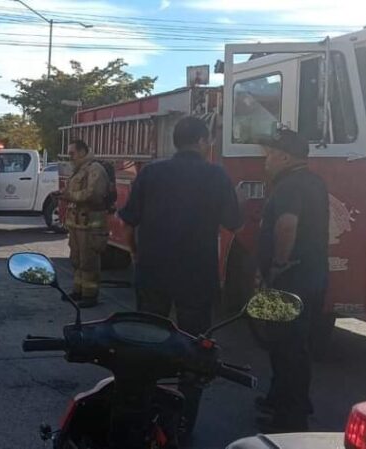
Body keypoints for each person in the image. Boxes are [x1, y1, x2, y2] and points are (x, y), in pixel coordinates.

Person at [118, 116, 242, 437]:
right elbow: (233, 221)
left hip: (153, 271)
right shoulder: (216, 175)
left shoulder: (152, 173)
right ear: (201, 141)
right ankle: (184, 419)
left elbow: (128, 223)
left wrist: (135, 254)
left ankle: (142, 408)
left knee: (146, 337)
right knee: (194, 346)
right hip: (196, 274)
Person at [254, 128, 328, 433]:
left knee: (286, 346)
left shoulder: (288, 186)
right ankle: (281, 398)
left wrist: (276, 266)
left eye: (270, 154)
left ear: (285, 157)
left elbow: (286, 226)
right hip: (313, 276)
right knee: (292, 344)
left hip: (288, 279)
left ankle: (290, 419)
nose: (266, 161)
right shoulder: (314, 182)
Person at [62, 139, 109, 308]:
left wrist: (70, 196)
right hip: (77, 223)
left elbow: (93, 194)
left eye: (72, 153)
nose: (70, 157)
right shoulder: (79, 170)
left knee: (88, 261)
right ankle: (78, 291)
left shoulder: (95, 169)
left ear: (82, 152)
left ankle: (90, 295)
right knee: (76, 260)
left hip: (90, 226)